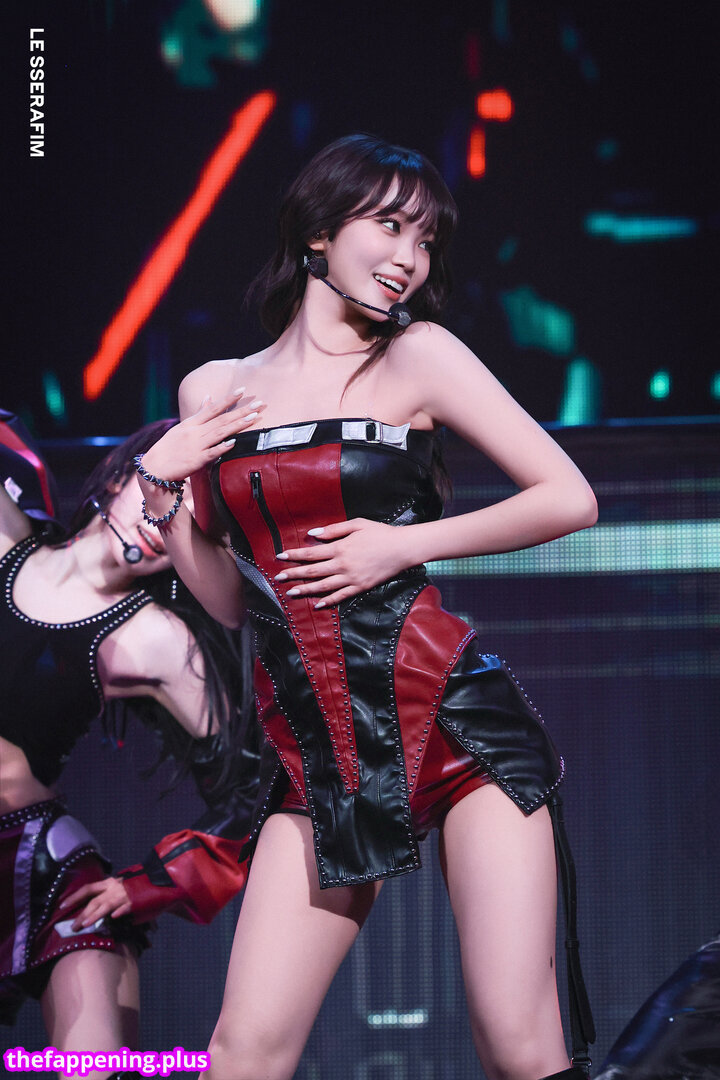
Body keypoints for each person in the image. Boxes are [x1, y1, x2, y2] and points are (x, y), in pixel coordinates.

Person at [135, 134, 599, 1080]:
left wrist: (403, 543)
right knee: (242, 1053)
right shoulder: (214, 388)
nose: (409, 258)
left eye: (425, 241)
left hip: (457, 728)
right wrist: (160, 489)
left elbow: (569, 497)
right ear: (318, 232)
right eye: (389, 226)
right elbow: (227, 601)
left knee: (516, 1042)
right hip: (320, 752)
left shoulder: (419, 356)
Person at [0, 418, 258, 1079]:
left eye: (193, 522)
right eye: (163, 490)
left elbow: (255, 787)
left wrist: (150, 883)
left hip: (38, 871)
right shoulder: (5, 534)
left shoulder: (156, 640)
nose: (162, 523)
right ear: (122, 476)